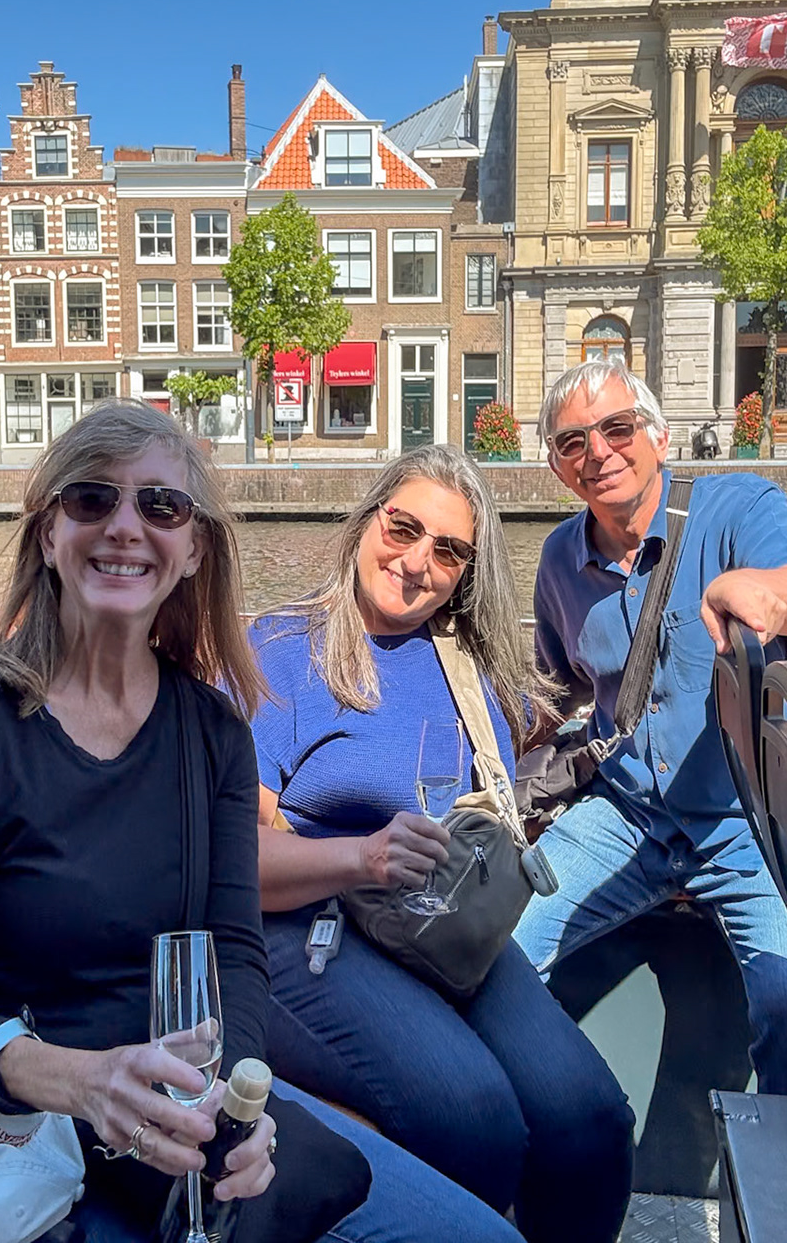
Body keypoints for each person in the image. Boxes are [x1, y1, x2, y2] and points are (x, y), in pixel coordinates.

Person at [0, 404, 520, 1243]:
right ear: (47, 535)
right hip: (26, 1124)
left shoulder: (210, 731)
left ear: (192, 551)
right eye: (91, 500)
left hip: (183, 1112)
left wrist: (241, 1103)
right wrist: (82, 1082)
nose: (125, 528)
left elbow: (235, 948)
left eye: (162, 508)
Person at [249, 446, 636, 1243]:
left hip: (442, 926)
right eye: (404, 527)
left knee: (591, 1120)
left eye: (449, 549)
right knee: (476, 1118)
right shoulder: (277, 650)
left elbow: (519, 754)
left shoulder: (465, 662)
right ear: (367, 522)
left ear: (466, 570)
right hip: (308, 927)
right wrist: (362, 856)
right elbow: (237, 863)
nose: (418, 559)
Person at [513, 359, 787, 1100]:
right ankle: (550, 1120)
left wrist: (761, 595)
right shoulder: (561, 557)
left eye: (616, 428)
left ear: (656, 435)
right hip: (623, 815)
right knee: (498, 951)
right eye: (571, 443)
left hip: (740, 823)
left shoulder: (736, 508)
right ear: (560, 468)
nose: (598, 452)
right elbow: (555, 694)